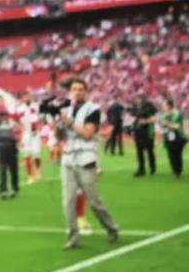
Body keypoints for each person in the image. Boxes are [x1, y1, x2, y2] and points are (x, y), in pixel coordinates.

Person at [58, 77, 119, 249]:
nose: (77, 92)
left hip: (86, 159)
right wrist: (57, 125)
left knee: (94, 201)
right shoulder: (65, 110)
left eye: (80, 89)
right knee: (67, 201)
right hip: (68, 159)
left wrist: (70, 123)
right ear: (70, 92)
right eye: (74, 89)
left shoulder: (93, 110)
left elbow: (87, 133)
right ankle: (73, 237)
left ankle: (111, 227)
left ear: (85, 92)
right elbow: (60, 137)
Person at [0, 95, 20, 200]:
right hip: (2, 143)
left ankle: (14, 188)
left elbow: (17, 126)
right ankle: (3, 190)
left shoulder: (10, 113)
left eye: (1, 101)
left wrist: (18, 139)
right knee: (2, 168)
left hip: (12, 143)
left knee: (13, 167)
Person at [159, 98, 189, 178]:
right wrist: (163, 125)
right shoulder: (164, 115)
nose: (163, 107)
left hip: (177, 136)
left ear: (169, 106)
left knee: (177, 154)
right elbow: (162, 125)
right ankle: (175, 170)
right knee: (170, 154)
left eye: (164, 105)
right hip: (168, 136)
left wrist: (167, 124)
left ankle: (178, 170)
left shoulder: (177, 114)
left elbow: (177, 126)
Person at [130, 93, 158, 177]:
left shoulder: (149, 105)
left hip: (147, 131)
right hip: (138, 130)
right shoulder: (134, 106)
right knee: (139, 150)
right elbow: (132, 116)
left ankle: (152, 167)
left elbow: (154, 118)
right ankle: (141, 169)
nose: (137, 99)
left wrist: (145, 121)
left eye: (138, 97)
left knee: (149, 150)